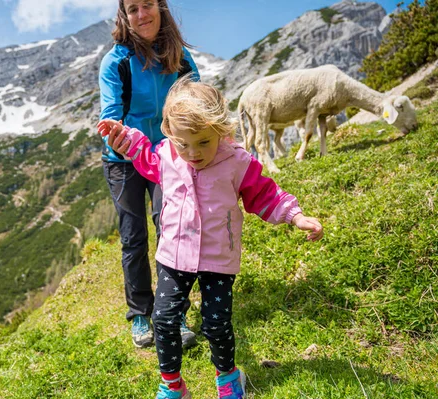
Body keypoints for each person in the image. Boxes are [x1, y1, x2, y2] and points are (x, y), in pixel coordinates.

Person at [97, 77, 323, 399]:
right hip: (174, 256)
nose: (192, 153)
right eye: (183, 143)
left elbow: (264, 194)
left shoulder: (237, 162)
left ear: (221, 130)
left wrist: (295, 216)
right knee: (163, 319)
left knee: (216, 324)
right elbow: (143, 156)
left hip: (218, 258)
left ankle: (228, 377)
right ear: (171, 135)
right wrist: (123, 137)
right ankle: (173, 385)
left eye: (203, 142)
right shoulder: (166, 156)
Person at [99, 0, 200, 349]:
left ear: (161, 8)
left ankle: (174, 310)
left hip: (167, 157)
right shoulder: (116, 62)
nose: (141, 15)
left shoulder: (181, 58)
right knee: (133, 236)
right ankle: (140, 313)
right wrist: (116, 131)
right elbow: (112, 111)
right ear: (124, 17)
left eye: (147, 6)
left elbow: (196, 102)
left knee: (171, 230)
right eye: (132, 9)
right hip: (122, 157)